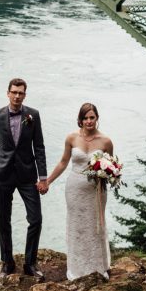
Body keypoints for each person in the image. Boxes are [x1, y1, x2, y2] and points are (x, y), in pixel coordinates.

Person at [42, 102, 113, 280]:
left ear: (97, 118)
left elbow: (111, 167)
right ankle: (77, 269)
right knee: (78, 226)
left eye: (92, 117)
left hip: (97, 191)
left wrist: (108, 173)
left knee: (96, 226)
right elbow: (63, 162)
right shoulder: (71, 138)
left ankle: (98, 267)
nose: (89, 121)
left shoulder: (106, 141)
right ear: (80, 120)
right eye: (85, 118)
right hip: (74, 190)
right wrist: (47, 181)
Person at [0, 77, 48, 279]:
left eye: (20, 93)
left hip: (27, 175)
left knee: (36, 219)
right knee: (3, 220)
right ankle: (8, 263)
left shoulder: (33, 115)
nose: (17, 96)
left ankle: (30, 263)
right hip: (3, 174)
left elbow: (39, 147)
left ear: (25, 95)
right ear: (8, 93)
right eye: (14, 92)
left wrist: (43, 177)